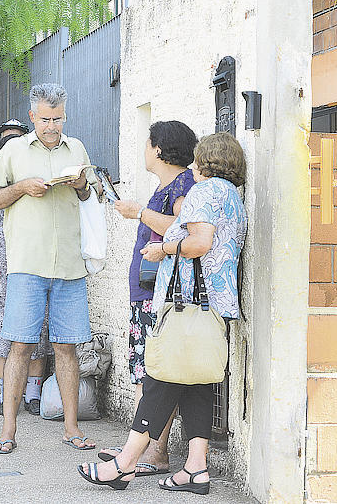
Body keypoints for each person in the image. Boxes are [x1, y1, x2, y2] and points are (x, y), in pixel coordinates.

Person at [77, 132, 248, 494]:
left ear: (207, 161)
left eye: (198, 158)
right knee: (198, 382)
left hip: (187, 303)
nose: (194, 164)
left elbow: (199, 243)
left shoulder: (204, 191)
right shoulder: (233, 196)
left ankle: (124, 464)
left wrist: (164, 250)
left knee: (160, 379)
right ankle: (196, 468)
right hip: (215, 305)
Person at [0, 83, 97, 454]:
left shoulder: (76, 148)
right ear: (32, 116)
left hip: (69, 265)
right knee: (20, 345)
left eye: (58, 118)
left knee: (67, 348)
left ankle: (71, 428)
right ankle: (8, 429)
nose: (52, 126)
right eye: (46, 119)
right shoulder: (13, 150)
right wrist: (22, 187)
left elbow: (89, 196)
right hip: (27, 265)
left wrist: (80, 184)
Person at [96, 121, 198, 476]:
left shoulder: (183, 184)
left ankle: (150, 451)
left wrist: (139, 211)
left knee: (151, 370)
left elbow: (185, 226)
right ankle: (145, 449)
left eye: (147, 143)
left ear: (159, 149)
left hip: (160, 293)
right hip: (146, 291)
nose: (144, 150)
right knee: (145, 370)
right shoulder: (168, 185)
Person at [0, 123, 51, 415]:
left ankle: (33, 391)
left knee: (36, 330)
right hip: (0, 268)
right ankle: (6, 391)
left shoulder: (39, 173)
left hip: (33, 263)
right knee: (0, 332)